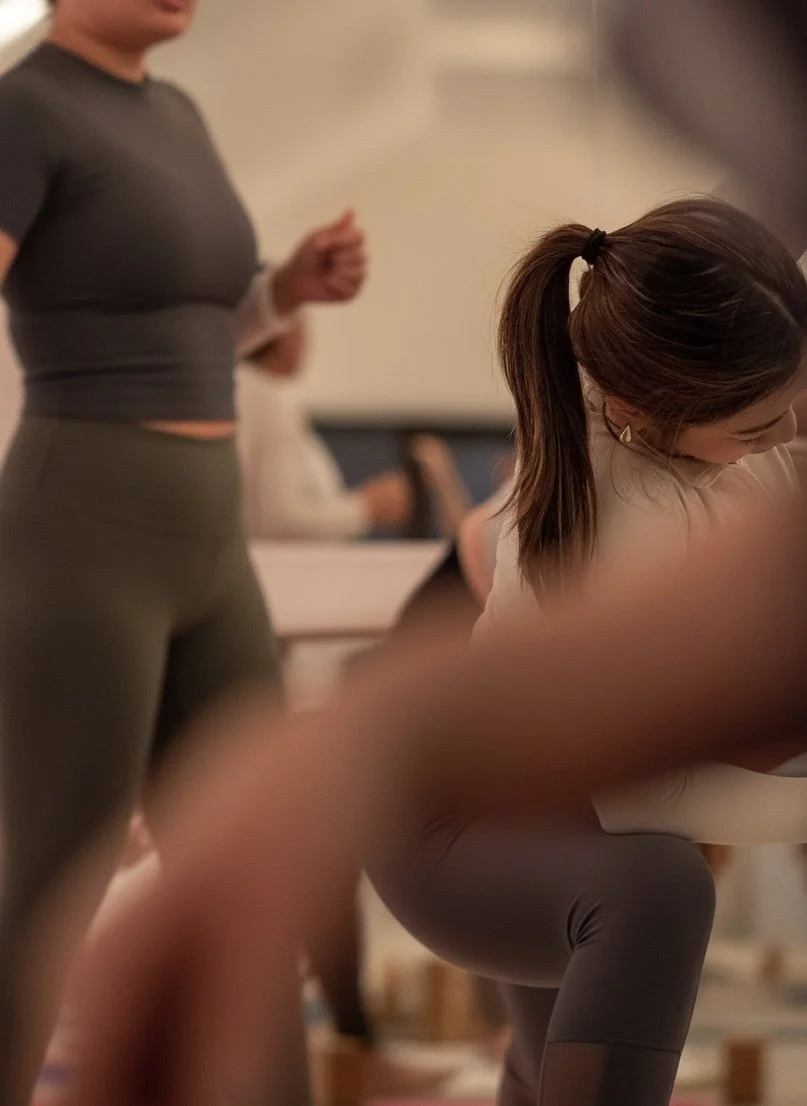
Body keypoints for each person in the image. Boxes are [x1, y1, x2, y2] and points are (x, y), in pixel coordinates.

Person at [65, 197, 807, 1106]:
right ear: (636, 409)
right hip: (460, 835)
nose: (784, 434)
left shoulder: (641, 397)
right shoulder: (626, 521)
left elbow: (764, 376)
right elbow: (647, 798)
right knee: (655, 890)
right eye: (757, 427)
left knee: (552, 1052)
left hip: (543, 805)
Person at [0, 0, 369, 1102]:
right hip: (85, 525)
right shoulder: (25, 109)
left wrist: (287, 290)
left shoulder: (180, 114)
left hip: (208, 536)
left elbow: (199, 331)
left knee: (251, 865)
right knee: (58, 875)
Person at [236, 318, 416, 540]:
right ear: (281, 335)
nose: (307, 341)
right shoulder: (265, 398)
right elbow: (280, 522)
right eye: (301, 327)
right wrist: (367, 508)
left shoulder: (256, 393)